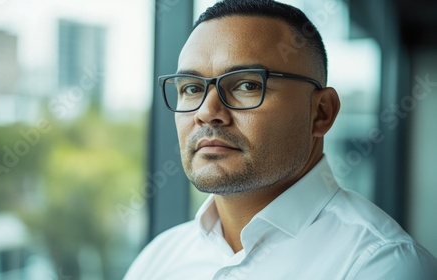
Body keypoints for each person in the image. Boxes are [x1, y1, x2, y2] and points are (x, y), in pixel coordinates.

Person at [125, 0, 437, 279]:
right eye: (192, 89)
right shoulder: (158, 260)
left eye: (246, 85)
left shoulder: (381, 265)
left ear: (321, 113)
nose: (207, 112)